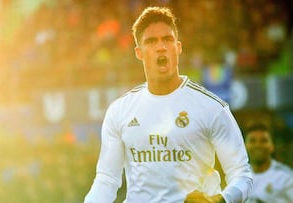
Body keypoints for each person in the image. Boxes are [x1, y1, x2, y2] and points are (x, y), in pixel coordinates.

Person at [84, 6, 252, 203]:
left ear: (178, 48)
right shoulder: (120, 111)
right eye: (151, 41)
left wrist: (219, 200)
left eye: (167, 39)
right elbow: (107, 179)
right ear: (139, 52)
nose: (161, 47)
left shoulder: (212, 108)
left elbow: (242, 175)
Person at [244, 123, 293, 203]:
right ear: (245, 146)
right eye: (252, 141)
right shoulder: (240, 176)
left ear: (272, 146)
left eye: (264, 141)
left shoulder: (286, 177)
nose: (258, 145)